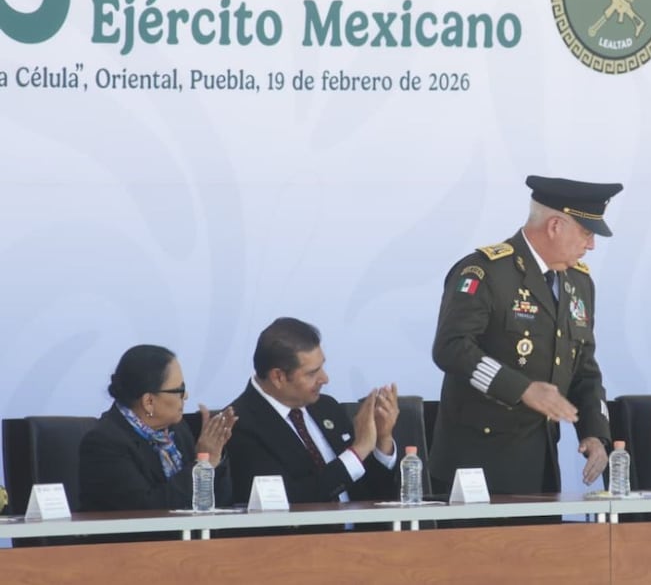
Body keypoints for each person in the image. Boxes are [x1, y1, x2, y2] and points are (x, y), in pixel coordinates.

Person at [429, 175, 622, 495]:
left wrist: (594, 433)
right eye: (586, 233)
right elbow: (451, 347)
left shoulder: (579, 282)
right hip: (476, 469)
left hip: (540, 465)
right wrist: (521, 389)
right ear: (555, 226)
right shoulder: (486, 271)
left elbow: (584, 367)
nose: (591, 245)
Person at [227, 317, 399, 504]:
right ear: (278, 377)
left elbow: (369, 492)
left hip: (366, 533)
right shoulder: (239, 424)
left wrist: (382, 441)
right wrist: (358, 451)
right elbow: (285, 501)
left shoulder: (326, 407)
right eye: (312, 373)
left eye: (322, 367)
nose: (325, 379)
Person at [79, 345, 236, 511]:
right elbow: (147, 510)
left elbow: (222, 504)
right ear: (149, 402)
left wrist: (213, 460)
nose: (186, 396)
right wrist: (201, 467)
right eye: (180, 390)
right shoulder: (105, 443)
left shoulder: (177, 431)